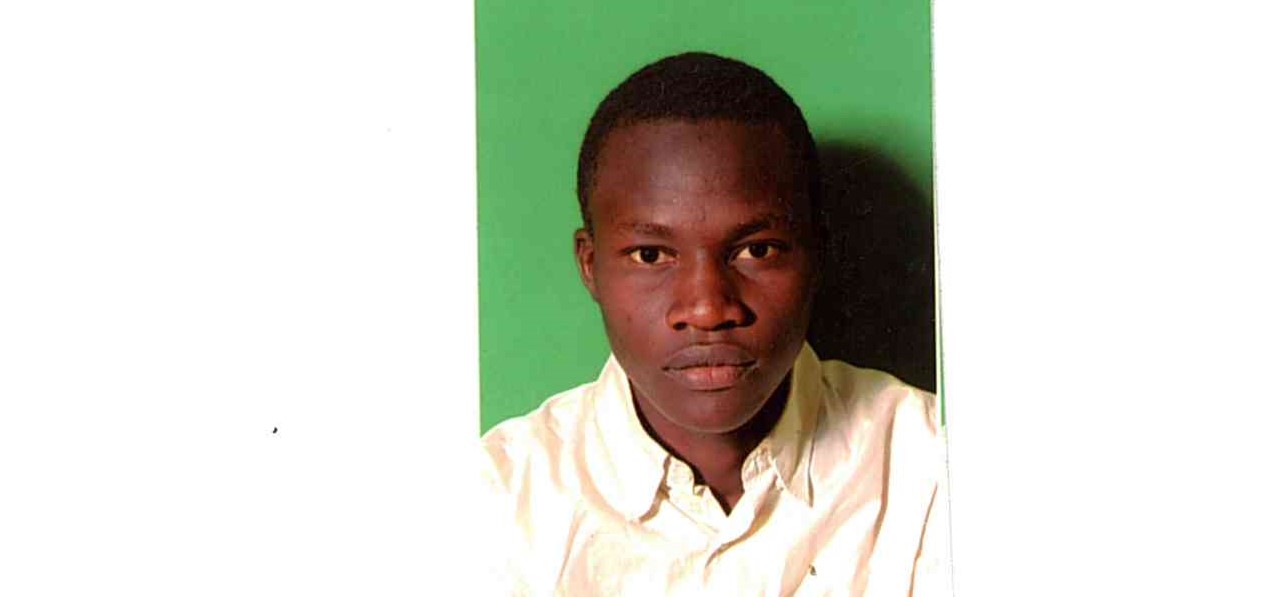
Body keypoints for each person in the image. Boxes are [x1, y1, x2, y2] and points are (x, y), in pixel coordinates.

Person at [479, 52, 950, 596]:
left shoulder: (935, 471)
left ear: (817, 254)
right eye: (651, 255)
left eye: (757, 250)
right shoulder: (495, 503)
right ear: (590, 266)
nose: (707, 309)